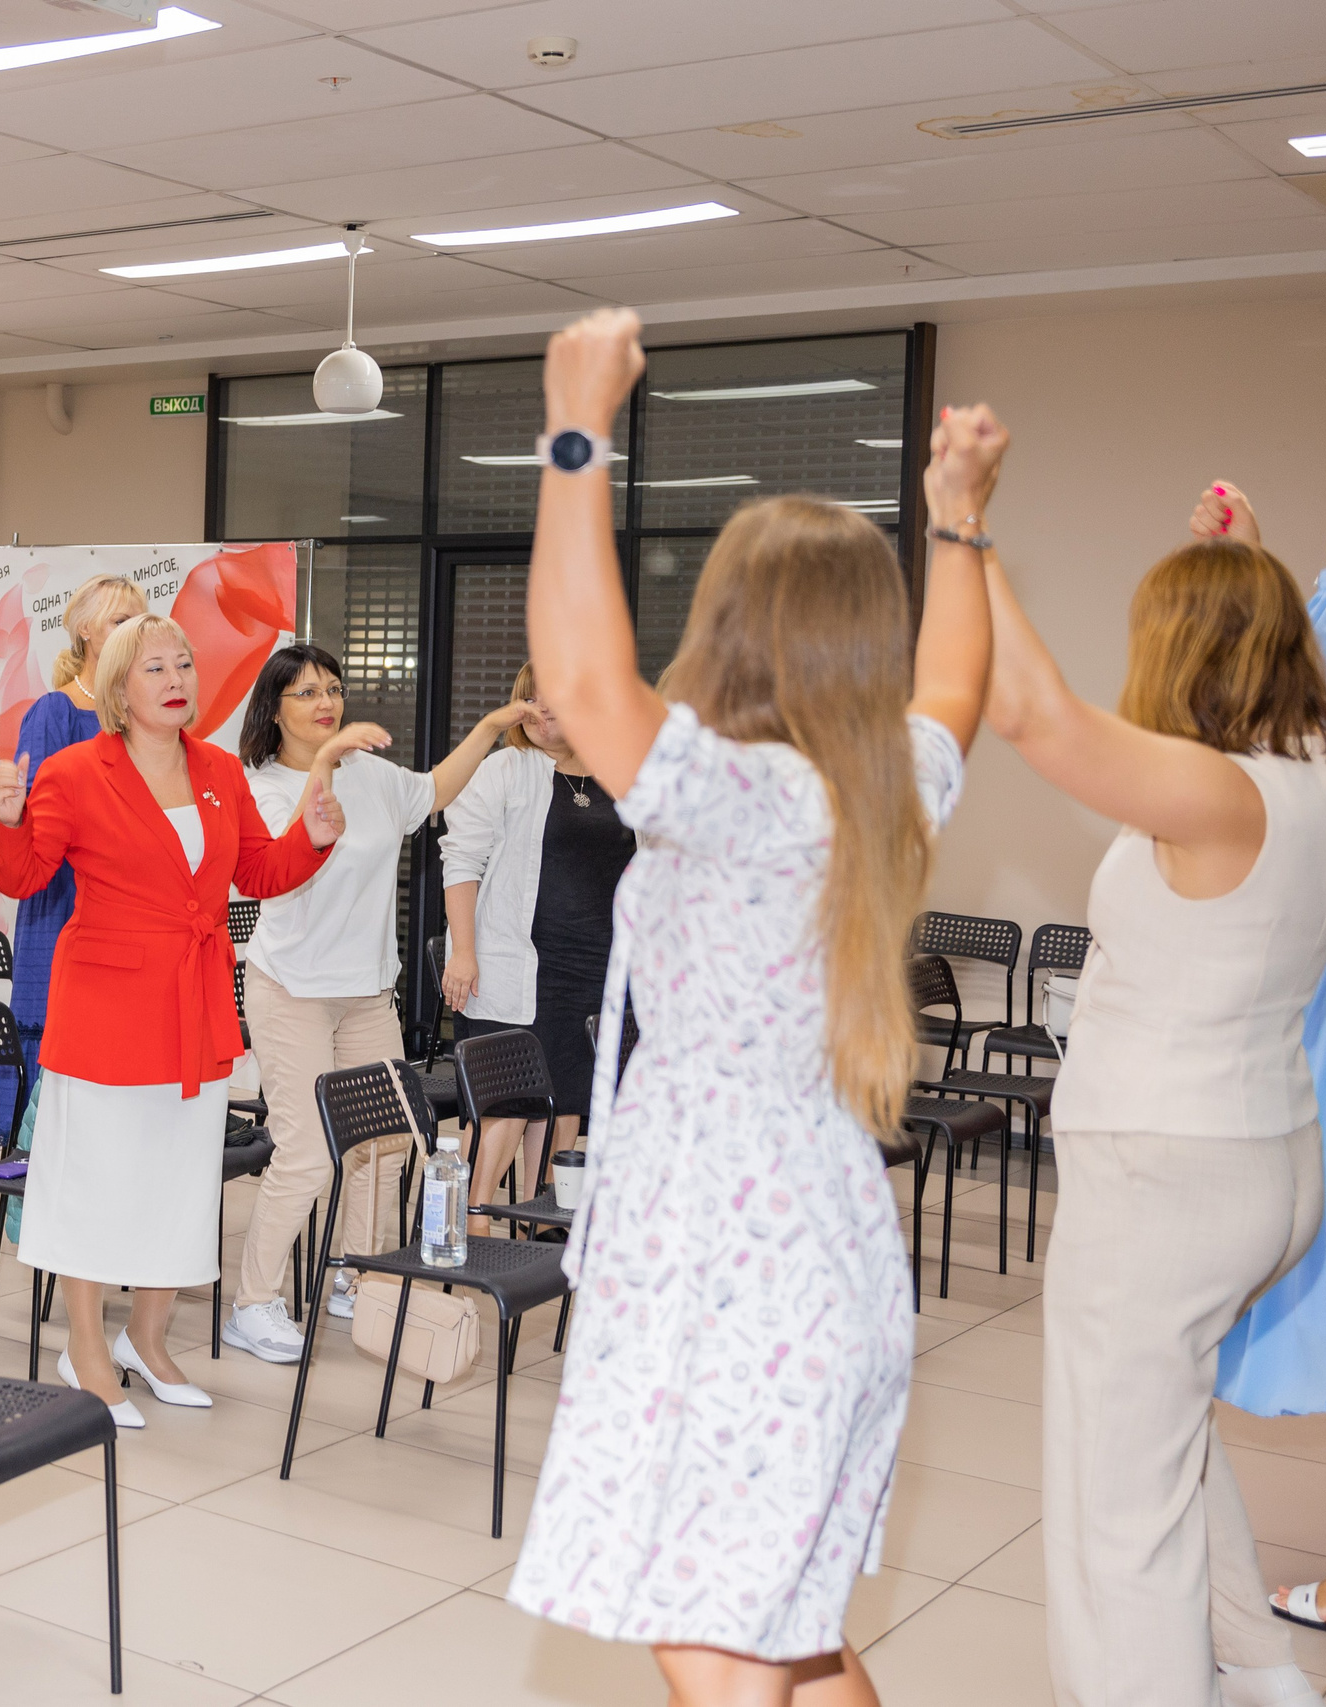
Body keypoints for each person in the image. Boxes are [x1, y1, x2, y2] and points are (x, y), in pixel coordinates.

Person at [502, 308, 993, 1706]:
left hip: (722, 1256)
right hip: (823, 1232)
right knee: (784, 1624)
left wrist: (577, 425)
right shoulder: (887, 780)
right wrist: (959, 523)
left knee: (721, 1641)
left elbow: (591, 674)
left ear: (729, 624)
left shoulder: (734, 795)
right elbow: (956, 681)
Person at [1129, 479, 1326, 1707]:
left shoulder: (1233, 781)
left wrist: (962, 541)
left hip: (1214, 1118)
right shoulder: (1321, 770)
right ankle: (1283, 1630)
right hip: (1267, 1096)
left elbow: (1303, 704)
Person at [0, 612, 344, 1424]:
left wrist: (311, 839)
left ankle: (146, 1338)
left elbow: (258, 867)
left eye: (184, 662)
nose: (177, 677)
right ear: (118, 686)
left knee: (178, 1187)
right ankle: (83, 1347)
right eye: (155, 668)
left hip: (195, 1005)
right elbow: (24, 874)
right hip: (107, 1011)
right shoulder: (76, 771)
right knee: (95, 1184)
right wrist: (6, 820)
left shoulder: (217, 766)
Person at [218, 641, 522, 1365]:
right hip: (290, 990)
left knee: (385, 1147)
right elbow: (286, 858)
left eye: (334, 687)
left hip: (365, 993)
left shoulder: (375, 775)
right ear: (275, 708)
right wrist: (327, 762)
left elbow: (434, 790)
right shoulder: (255, 786)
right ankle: (253, 1301)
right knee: (308, 1156)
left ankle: (355, 1273)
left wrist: (489, 728)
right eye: (307, 692)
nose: (327, 701)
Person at [439, 661, 638, 1239]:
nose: (545, 710)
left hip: (595, 966)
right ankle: (472, 1225)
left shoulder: (616, 776)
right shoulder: (505, 769)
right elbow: (460, 861)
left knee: (568, 1099)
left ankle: (541, 1219)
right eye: (534, 699)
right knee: (507, 1104)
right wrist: (462, 951)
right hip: (517, 964)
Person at [0, 574, 148, 1145]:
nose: (132, 634)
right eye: (119, 622)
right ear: (85, 631)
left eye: (139, 623)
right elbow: (37, 821)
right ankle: (36, 1156)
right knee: (56, 1032)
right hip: (62, 899)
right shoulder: (54, 711)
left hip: (123, 905)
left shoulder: (138, 715)